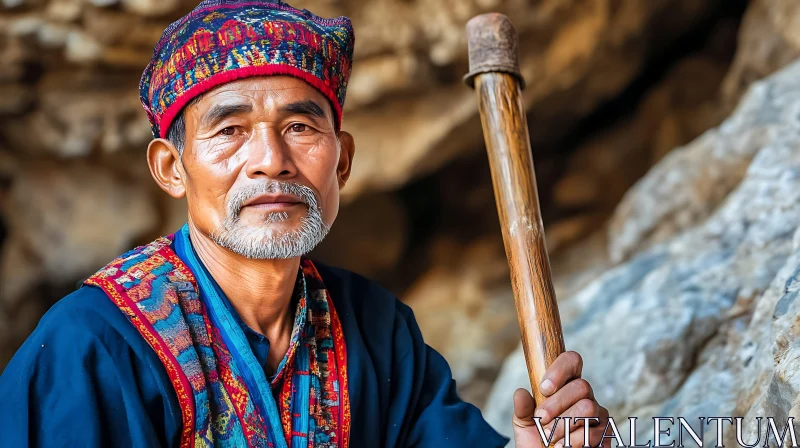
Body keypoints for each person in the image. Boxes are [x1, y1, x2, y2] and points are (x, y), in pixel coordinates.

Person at [0, 1, 609, 446]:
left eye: (299, 127)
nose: (270, 159)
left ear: (340, 160)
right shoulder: (90, 350)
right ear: (171, 168)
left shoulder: (374, 330)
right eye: (230, 131)